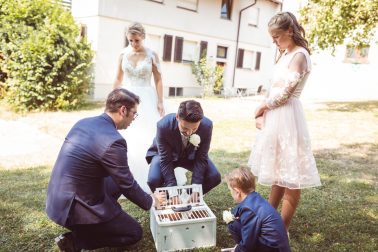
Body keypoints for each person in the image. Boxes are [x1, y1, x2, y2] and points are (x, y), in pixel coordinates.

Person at [46, 88, 166, 252]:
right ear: (123, 110)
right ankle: (76, 241)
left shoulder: (83, 122)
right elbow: (127, 185)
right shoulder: (114, 141)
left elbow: (120, 177)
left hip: (57, 200)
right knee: (134, 233)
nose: (133, 119)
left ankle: (104, 220)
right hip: (73, 208)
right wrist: (152, 201)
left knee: (119, 180)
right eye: (134, 113)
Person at [248, 12, 321, 232]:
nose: (275, 41)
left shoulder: (299, 55)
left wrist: (262, 107)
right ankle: (268, 222)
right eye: (272, 37)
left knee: (291, 174)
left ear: (290, 31)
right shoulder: (284, 54)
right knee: (277, 171)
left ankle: (282, 229)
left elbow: (286, 94)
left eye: (277, 36)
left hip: (288, 116)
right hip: (275, 116)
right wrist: (263, 114)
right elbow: (273, 89)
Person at [113, 22, 187, 192]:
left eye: (137, 40)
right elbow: (118, 78)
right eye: (130, 40)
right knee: (127, 136)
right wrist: (112, 98)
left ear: (143, 37)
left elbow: (158, 79)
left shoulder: (152, 55)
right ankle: (125, 175)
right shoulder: (123, 54)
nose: (133, 44)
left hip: (146, 98)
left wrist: (160, 101)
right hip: (127, 97)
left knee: (150, 135)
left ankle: (153, 175)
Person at [146, 100, 221, 198]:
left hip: (191, 156)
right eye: (185, 128)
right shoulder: (163, 125)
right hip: (165, 155)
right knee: (153, 180)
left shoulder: (207, 126)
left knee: (214, 176)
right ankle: (170, 200)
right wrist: (173, 191)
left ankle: (189, 198)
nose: (189, 133)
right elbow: (165, 160)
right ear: (177, 117)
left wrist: (196, 189)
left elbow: (201, 157)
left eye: (194, 129)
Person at [224, 167, 291, 252]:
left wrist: (238, 250)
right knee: (235, 224)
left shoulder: (248, 210)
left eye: (231, 191)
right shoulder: (255, 199)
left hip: (273, 248)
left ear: (237, 192)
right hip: (274, 246)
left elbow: (249, 242)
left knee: (233, 224)